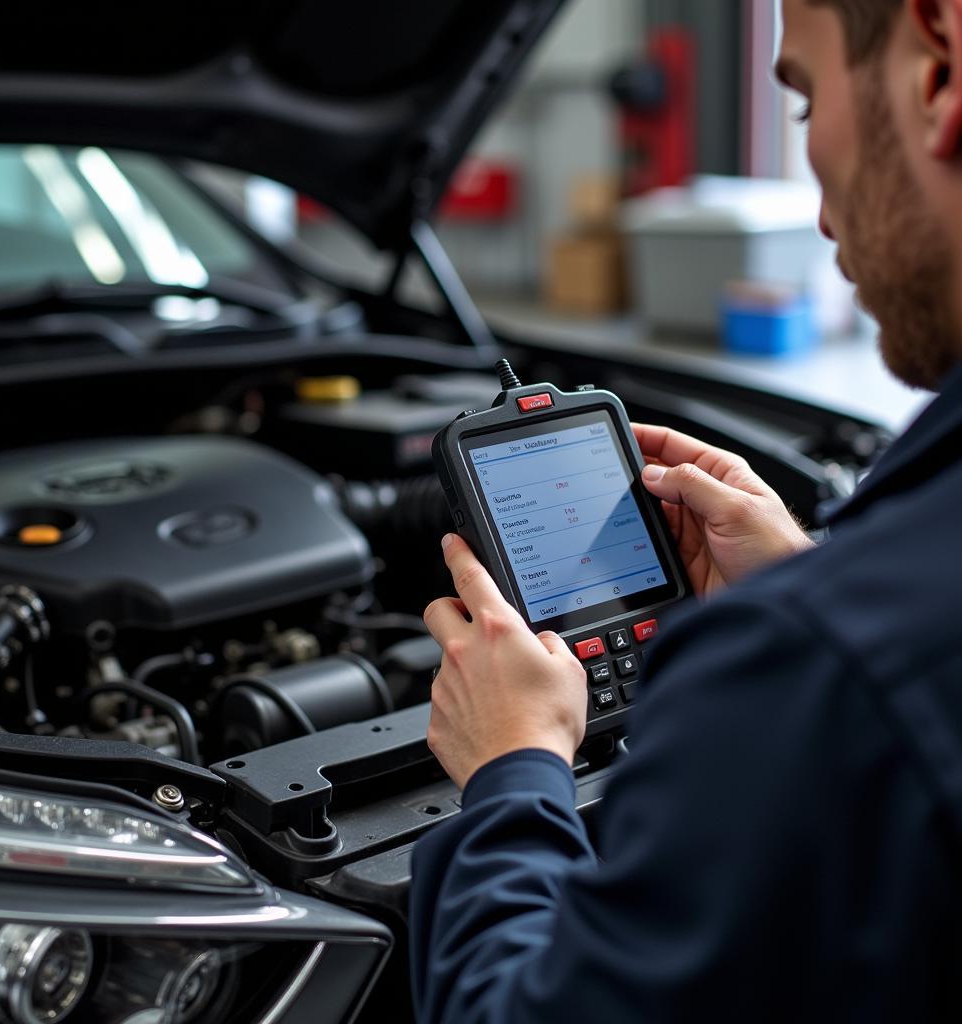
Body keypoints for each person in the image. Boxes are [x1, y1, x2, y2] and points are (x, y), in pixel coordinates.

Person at [409, 0, 962, 1020]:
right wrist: (808, 583)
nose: (820, 208)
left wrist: (513, 766)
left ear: (939, 69)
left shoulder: (821, 663)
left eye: (800, 103)